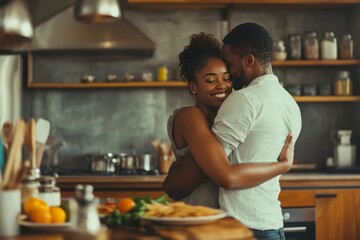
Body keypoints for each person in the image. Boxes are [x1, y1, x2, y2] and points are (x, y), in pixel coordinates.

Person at [164, 23, 302, 240]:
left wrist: (282, 166)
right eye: (210, 80)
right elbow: (183, 183)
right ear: (193, 86)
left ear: (249, 61)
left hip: (238, 227)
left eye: (227, 75)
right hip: (219, 226)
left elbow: (218, 176)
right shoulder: (289, 103)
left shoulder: (242, 103)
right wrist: (282, 166)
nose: (223, 85)